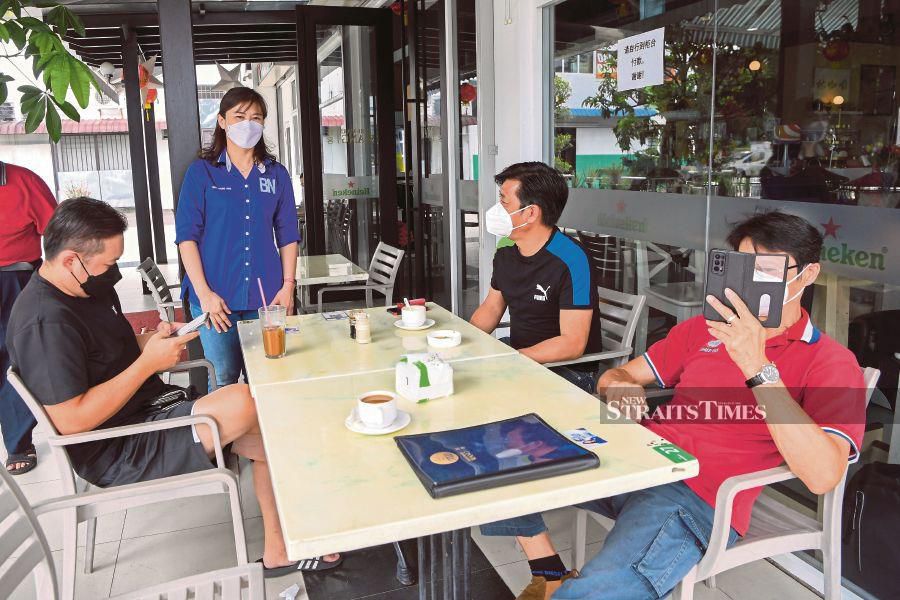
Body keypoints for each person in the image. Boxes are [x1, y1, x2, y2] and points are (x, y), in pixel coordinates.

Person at [479, 211, 866, 600]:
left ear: (808, 275)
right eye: (744, 268)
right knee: (497, 452)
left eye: (766, 270)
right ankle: (549, 573)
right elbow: (616, 377)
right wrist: (620, 388)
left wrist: (757, 365)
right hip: (632, 461)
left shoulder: (829, 362)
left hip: (694, 497)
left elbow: (822, 476)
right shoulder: (703, 330)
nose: (751, 282)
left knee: (596, 595)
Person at [6, 198, 339, 576]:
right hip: (118, 447)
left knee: (273, 430)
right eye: (109, 265)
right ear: (70, 260)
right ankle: (294, 536)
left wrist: (149, 343)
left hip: (148, 410)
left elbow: (103, 353)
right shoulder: (44, 322)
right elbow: (71, 422)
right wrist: (147, 365)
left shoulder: (84, 289)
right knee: (245, 401)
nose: (113, 273)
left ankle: (281, 548)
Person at [176, 87, 300, 388]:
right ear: (222, 121)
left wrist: (288, 286)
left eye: (256, 117)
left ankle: (265, 436)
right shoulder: (202, 173)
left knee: (269, 378)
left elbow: (288, 235)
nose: (248, 124)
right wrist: (204, 295)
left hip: (266, 298)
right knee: (224, 378)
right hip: (216, 300)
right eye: (239, 116)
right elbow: (186, 238)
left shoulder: (276, 175)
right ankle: (222, 437)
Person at [470, 161, 603, 394]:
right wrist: (462, 341)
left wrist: (513, 359)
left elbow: (572, 343)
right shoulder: (506, 248)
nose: (496, 209)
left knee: (486, 392)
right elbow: (491, 307)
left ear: (530, 213)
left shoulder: (574, 259)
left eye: (504, 202)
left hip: (568, 370)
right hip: (521, 356)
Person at [0, 160, 58, 475]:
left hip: (18, 280)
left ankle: (19, 442)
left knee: (17, 361)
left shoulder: (23, 181)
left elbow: (57, 234)